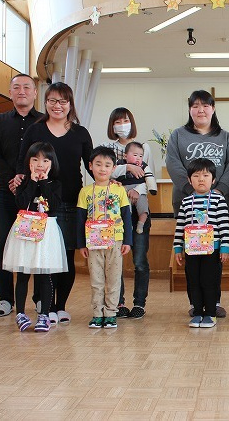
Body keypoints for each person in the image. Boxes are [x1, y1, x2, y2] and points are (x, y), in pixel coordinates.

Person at [17, 82, 93, 325]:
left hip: (71, 201)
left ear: (70, 104)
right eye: (52, 101)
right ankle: (45, 305)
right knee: (43, 256)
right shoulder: (35, 130)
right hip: (41, 205)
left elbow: (92, 166)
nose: (57, 106)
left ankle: (61, 307)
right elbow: (23, 162)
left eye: (62, 101)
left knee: (66, 256)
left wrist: (108, 183)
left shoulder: (80, 133)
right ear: (46, 102)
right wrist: (20, 180)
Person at [166, 90, 229, 318]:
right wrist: (193, 193)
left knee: (214, 259)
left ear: (213, 109)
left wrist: (216, 192)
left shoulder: (226, 137)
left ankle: (213, 302)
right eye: (195, 106)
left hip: (218, 203)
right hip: (187, 202)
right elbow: (173, 164)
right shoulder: (178, 135)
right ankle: (196, 304)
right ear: (189, 109)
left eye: (205, 105)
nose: (201, 110)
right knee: (193, 259)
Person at [0, 73, 43, 317]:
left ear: (35, 93)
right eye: (16, 87)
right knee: (3, 246)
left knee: (36, 245)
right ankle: (5, 300)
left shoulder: (43, 121)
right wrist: (13, 178)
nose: (22, 91)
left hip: (36, 193)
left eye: (27, 87)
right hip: (5, 192)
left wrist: (26, 179)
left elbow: (47, 155)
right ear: (10, 93)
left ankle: (40, 299)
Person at [2, 142, 68, 332]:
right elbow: (21, 203)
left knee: (45, 275)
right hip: (25, 231)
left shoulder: (55, 184)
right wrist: (31, 182)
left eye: (45, 160)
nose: (40, 164)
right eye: (35, 159)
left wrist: (44, 182)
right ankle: (21, 314)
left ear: (52, 163)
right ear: (28, 162)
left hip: (46, 233)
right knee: (23, 274)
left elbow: (54, 206)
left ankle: (44, 315)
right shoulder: (23, 182)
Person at [101, 107, 153, 320]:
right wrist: (128, 170)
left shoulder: (144, 147)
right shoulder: (107, 148)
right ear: (112, 125)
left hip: (138, 206)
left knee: (139, 260)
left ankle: (139, 303)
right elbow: (105, 174)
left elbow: (149, 177)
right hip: (115, 210)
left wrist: (137, 189)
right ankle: (119, 302)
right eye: (118, 121)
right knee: (116, 261)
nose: (122, 125)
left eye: (125, 120)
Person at [76, 147, 132, 328]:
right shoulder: (85, 192)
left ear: (113, 168)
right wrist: (81, 244)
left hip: (115, 241)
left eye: (107, 165)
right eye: (98, 164)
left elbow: (126, 216)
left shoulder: (119, 190)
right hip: (93, 242)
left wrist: (128, 241)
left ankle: (111, 313)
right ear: (90, 166)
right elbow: (80, 219)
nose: (102, 169)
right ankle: (97, 313)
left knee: (114, 278)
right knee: (96, 279)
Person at [173, 158, 229, 328]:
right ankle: (197, 312)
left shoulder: (219, 200)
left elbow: (224, 225)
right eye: (196, 176)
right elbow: (180, 227)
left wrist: (225, 247)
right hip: (191, 250)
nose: (201, 179)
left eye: (206, 175)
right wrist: (178, 248)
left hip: (212, 250)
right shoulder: (186, 202)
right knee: (193, 281)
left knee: (209, 281)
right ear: (189, 180)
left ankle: (210, 314)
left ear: (213, 180)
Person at [113, 141, 157, 233]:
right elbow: (111, 174)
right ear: (125, 156)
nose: (138, 158)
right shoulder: (119, 163)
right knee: (125, 209)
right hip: (124, 191)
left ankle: (140, 224)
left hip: (140, 191)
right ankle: (128, 225)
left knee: (143, 208)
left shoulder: (143, 166)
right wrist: (127, 167)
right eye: (135, 155)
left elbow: (149, 177)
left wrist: (152, 188)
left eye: (141, 156)